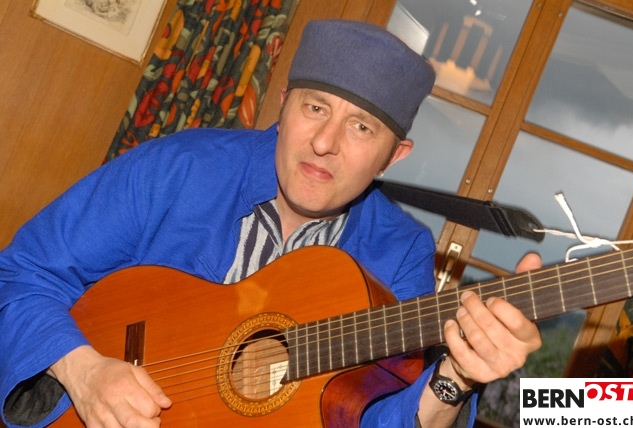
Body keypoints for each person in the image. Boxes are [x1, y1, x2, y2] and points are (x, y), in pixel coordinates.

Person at [0, 19, 542, 428]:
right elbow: (22, 274)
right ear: (282, 107)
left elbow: (371, 416)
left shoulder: (399, 253)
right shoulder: (180, 168)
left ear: (393, 155)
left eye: (361, 127)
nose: (324, 143)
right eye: (314, 108)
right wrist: (85, 372)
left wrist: (455, 379)